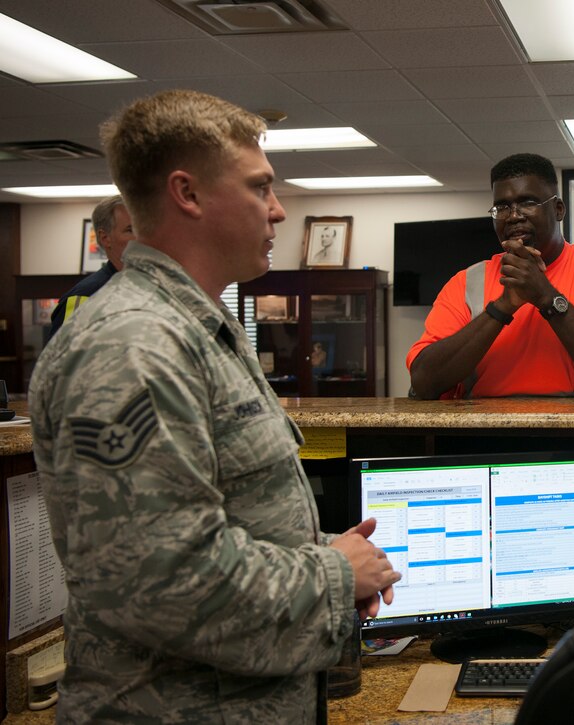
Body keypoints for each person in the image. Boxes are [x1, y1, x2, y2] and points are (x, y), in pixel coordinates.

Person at [28, 89, 401, 723]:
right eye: (261, 188)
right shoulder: (133, 346)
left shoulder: (194, 329)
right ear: (188, 194)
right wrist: (335, 578)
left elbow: (222, 516)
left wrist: (324, 557)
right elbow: (163, 583)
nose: (279, 211)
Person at [407, 153, 574, 399]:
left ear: (558, 209)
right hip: (483, 431)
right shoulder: (466, 282)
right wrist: (502, 307)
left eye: (528, 203)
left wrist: (547, 297)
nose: (513, 216)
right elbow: (424, 382)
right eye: (502, 207)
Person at [46, 195, 135, 341]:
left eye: (145, 229)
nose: (143, 238)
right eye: (130, 230)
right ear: (105, 238)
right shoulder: (85, 297)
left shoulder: (159, 286)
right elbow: (62, 360)